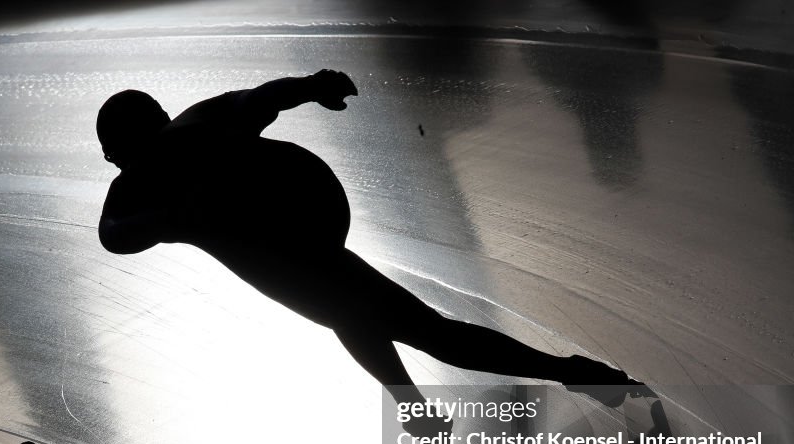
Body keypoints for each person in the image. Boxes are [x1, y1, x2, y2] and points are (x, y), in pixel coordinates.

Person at [96, 69, 638, 404]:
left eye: (118, 155)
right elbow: (112, 233)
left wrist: (309, 88)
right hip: (308, 223)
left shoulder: (175, 150)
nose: (117, 164)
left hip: (297, 245)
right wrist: (311, 87)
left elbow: (114, 233)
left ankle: (574, 374)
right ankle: (414, 406)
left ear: (133, 144)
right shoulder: (174, 149)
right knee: (350, 312)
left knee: (424, 332)